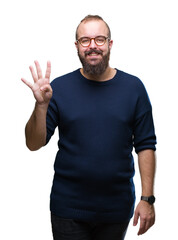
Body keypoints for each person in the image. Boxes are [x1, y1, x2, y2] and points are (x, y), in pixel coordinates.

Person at [21, 15, 157, 240]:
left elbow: (145, 145)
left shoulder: (134, 88)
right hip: (68, 210)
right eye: (85, 40)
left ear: (110, 44)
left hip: (116, 209)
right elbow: (33, 144)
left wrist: (147, 199)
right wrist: (41, 105)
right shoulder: (59, 89)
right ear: (77, 46)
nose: (93, 45)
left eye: (100, 39)